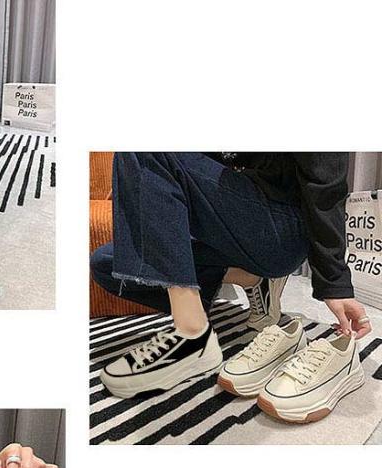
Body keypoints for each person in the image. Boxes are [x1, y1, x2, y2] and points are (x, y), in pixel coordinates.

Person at [91, 152, 372, 402]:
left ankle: (192, 333)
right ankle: (249, 277)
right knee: (107, 264)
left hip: (281, 227)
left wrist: (335, 283)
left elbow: (326, 191)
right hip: (231, 215)